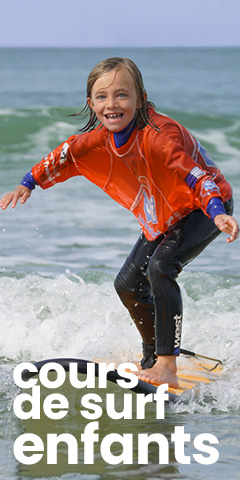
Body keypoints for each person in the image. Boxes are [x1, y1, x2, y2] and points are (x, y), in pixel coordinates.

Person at [0, 57, 238, 388]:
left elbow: (196, 175)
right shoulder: (98, 139)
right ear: (91, 103)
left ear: (140, 98)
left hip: (205, 205)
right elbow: (64, 153)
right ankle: (153, 357)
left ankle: (168, 364)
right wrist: (26, 184)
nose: (112, 104)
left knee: (161, 266)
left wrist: (217, 211)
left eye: (122, 95)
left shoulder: (160, 135)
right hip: (168, 211)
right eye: (102, 96)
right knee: (127, 284)